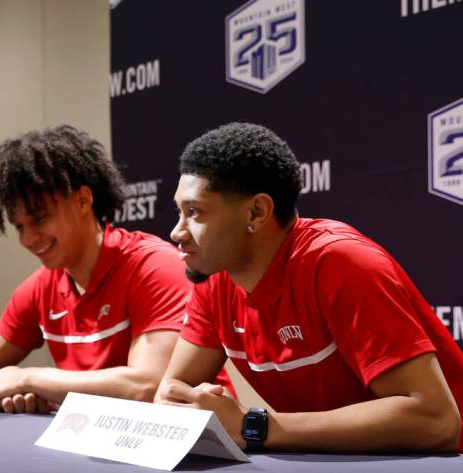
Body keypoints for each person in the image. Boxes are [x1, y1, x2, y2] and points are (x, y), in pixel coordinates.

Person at [157, 122, 463, 453]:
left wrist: (253, 426)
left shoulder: (341, 263)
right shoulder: (215, 276)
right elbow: (171, 392)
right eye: (180, 212)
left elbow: (435, 420)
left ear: (257, 212)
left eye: (195, 213)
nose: (177, 231)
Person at [0, 124, 197, 414]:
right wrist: (8, 390)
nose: (28, 239)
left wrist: (29, 378)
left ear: (83, 200)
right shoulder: (40, 287)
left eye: (40, 219)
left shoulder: (153, 266)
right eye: (19, 227)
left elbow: (146, 387)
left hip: (194, 451)